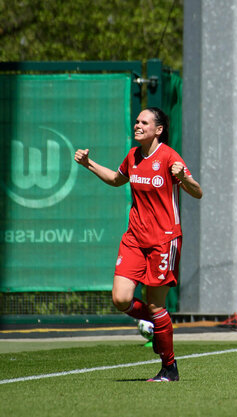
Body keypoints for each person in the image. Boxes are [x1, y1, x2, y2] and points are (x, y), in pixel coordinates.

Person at [73, 107, 202, 382]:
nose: (138, 125)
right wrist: (89, 164)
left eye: (145, 122)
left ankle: (169, 367)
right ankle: (159, 326)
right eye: (136, 121)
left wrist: (184, 177)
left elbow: (198, 192)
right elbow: (117, 180)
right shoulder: (132, 156)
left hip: (163, 240)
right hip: (134, 238)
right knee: (120, 299)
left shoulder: (169, 157)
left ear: (159, 130)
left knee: (156, 306)